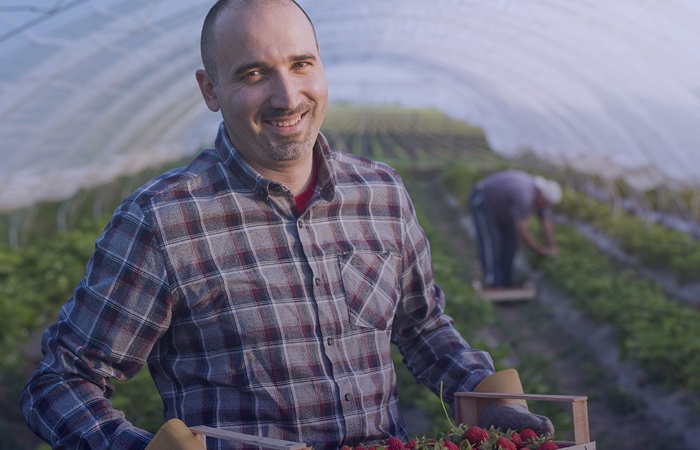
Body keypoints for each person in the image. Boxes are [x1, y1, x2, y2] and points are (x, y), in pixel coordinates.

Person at [20, 1, 554, 449]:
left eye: (301, 64)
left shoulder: (382, 194)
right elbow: (61, 382)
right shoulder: (163, 220)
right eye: (253, 73)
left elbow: (421, 326)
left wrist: (488, 398)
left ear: (321, 67)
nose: (286, 96)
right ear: (210, 91)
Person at [469, 170, 562, 288]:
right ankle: (494, 283)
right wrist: (538, 250)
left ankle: (506, 281)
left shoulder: (540, 199)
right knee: (490, 242)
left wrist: (552, 245)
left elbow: (545, 221)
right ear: (541, 195)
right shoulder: (524, 196)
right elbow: (522, 232)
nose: (546, 206)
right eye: (546, 203)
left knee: (510, 244)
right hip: (483, 201)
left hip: (504, 209)